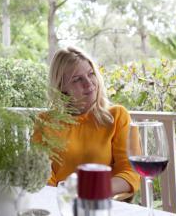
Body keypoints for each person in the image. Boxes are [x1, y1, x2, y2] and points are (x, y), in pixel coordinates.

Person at [36, 47, 139, 196]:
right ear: (61, 86)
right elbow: (42, 173)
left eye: (91, 74)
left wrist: (89, 192)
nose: (88, 83)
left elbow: (130, 172)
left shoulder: (117, 116)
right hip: (59, 205)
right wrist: (60, 200)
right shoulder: (46, 122)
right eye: (77, 79)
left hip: (102, 205)